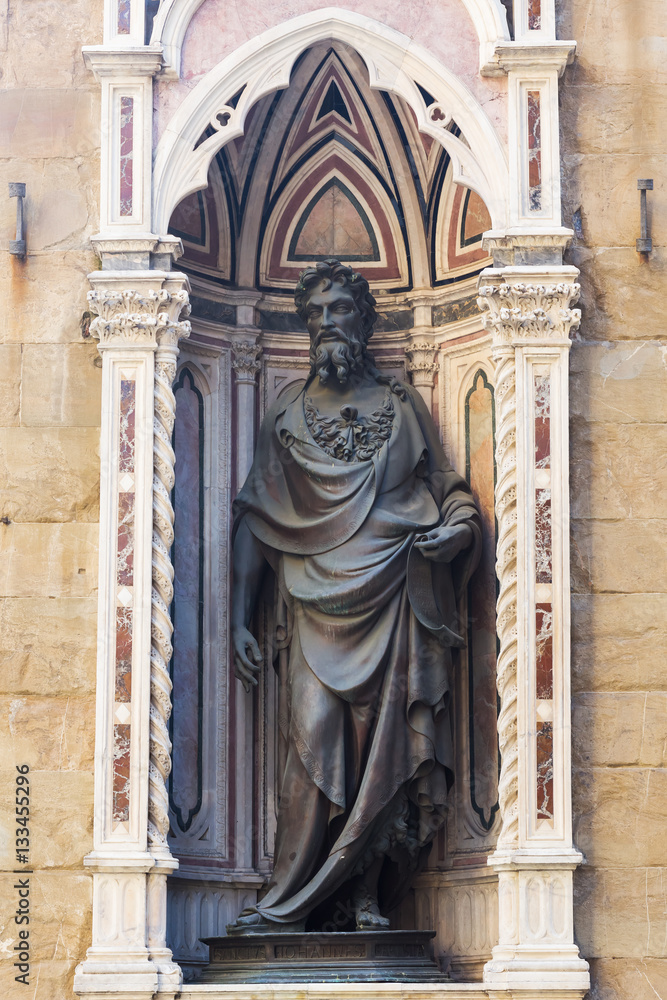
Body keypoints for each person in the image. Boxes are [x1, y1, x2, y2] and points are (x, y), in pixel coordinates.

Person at [228, 258, 481, 934]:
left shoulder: (401, 407)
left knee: (386, 750)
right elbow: (257, 514)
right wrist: (236, 616)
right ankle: (290, 896)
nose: (325, 323)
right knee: (312, 744)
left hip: (395, 593)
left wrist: (457, 531)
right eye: (314, 314)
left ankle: (365, 897)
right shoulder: (285, 413)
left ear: (363, 320)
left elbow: (447, 489)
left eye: (338, 310)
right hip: (312, 607)